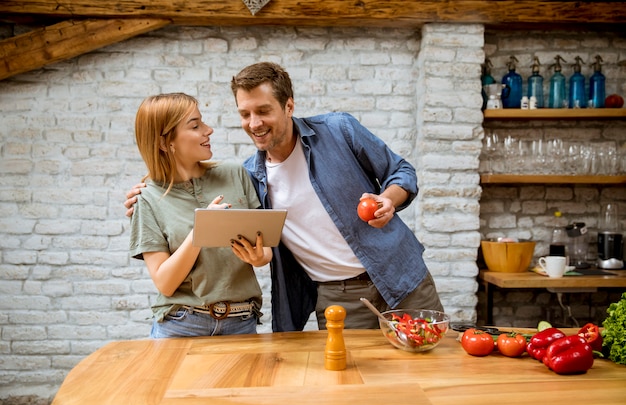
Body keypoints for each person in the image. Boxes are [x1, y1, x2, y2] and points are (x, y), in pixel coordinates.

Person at [126, 63, 443, 332]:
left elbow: (401, 171)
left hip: (401, 276)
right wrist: (147, 189)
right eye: (245, 113)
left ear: (289, 106)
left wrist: (388, 197)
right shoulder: (249, 176)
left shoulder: (339, 130)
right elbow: (198, 186)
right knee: (356, 390)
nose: (254, 123)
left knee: (429, 366)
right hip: (338, 298)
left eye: (263, 111)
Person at [129, 92, 272, 338]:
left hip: (242, 322)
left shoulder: (235, 174)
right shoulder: (147, 198)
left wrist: (259, 256)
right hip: (181, 325)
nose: (209, 130)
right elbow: (165, 282)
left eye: (202, 122)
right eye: (196, 126)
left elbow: (265, 250)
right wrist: (202, 229)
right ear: (165, 143)